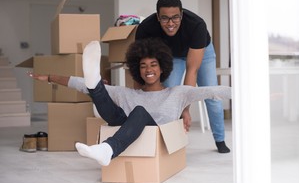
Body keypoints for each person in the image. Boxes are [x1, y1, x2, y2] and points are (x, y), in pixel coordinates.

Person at [29, 38, 231, 166]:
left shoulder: (178, 93)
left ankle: (108, 149)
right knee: (100, 93)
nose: (148, 69)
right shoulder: (128, 94)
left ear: (162, 68)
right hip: (124, 126)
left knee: (140, 112)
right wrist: (50, 77)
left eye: (153, 64)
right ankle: (95, 81)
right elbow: (78, 85)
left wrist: (248, 92)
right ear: (138, 70)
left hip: (159, 139)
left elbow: (213, 91)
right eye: (143, 65)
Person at [135, 0, 230, 153]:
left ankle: (220, 140)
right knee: (168, 92)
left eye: (175, 18)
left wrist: (185, 109)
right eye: (165, 18)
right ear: (158, 17)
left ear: (182, 15)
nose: (171, 23)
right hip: (172, 55)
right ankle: (166, 139)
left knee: (211, 95)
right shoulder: (146, 28)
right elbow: (139, 66)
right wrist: (138, 98)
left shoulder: (197, 25)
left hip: (202, 52)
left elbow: (192, 70)